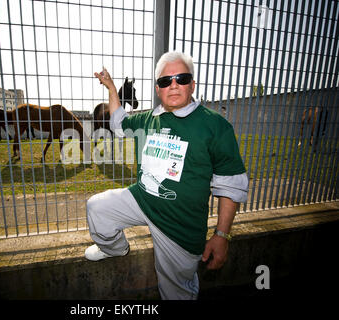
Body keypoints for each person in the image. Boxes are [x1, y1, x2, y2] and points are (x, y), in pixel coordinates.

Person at [85, 51, 249, 300]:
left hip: (179, 227)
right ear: (158, 89)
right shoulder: (150, 118)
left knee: (176, 293)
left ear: (192, 84)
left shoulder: (215, 126)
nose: (173, 85)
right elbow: (118, 123)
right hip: (143, 200)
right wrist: (110, 87)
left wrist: (221, 235)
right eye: (165, 81)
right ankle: (116, 249)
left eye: (181, 78)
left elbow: (231, 186)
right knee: (97, 208)